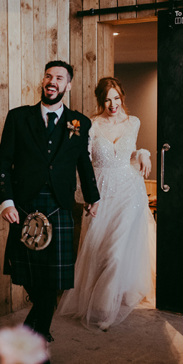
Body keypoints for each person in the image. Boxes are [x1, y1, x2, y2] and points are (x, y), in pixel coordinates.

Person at [0, 60, 100, 364]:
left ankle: (34, 345)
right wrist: (5, 200)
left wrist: (92, 196)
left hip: (59, 208)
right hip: (25, 206)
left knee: (53, 282)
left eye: (59, 78)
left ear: (68, 85)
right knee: (30, 277)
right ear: (43, 82)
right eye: (48, 76)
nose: (52, 81)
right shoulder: (18, 117)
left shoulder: (79, 123)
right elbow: (4, 162)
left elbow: (84, 162)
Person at [58, 76, 156, 331]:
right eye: (107, 99)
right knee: (99, 249)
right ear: (100, 101)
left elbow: (130, 153)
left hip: (129, 192)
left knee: (115, 251)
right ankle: (102, 297)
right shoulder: (91, 125)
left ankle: (103, 309)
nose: (113, 104)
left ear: (122, 96)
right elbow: (83, 160)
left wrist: (143, 153)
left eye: (116, 98)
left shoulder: (133, 122)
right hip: (101, 192)